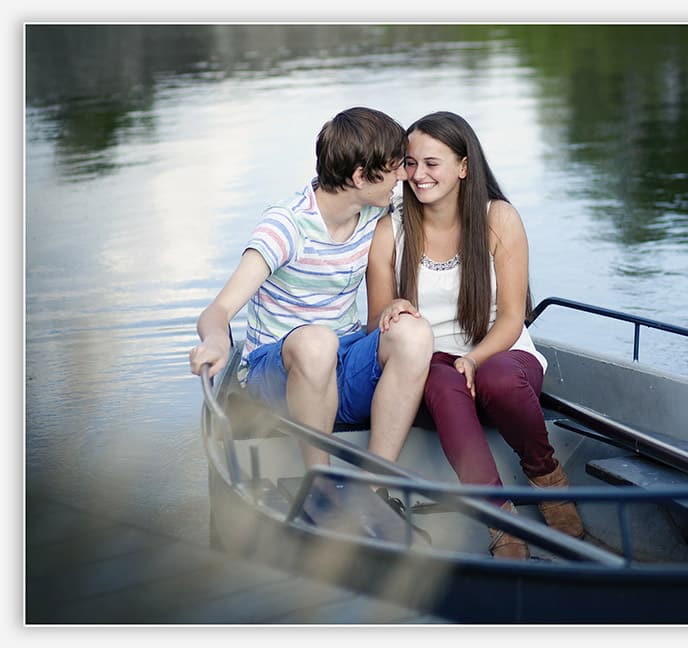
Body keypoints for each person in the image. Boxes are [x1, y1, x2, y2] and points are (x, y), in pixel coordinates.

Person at [189, 107, 433, 529]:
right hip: (277, 374)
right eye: (394, 169)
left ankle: (374, 488)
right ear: (360, 177)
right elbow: (220, 309)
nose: (403, 178)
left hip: (336, 363)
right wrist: (216, 342)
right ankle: (319, 486)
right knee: (317, 341)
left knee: (413, 332)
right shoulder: (286, 226)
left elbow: (445, 201)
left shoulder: (376, 214)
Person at [366, 111, 585, 560]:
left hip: (501, 352)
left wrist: (474, 358)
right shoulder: (391, 229)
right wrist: (391, 310)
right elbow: (377, 328)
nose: (418, 174)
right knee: (443, 380)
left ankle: (548, 481)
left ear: (464, 167)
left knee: (497, 378)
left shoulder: (497, 219)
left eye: (432, 163)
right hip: (428, 370)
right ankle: (502, 524)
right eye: (410, 163)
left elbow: (510, 319)